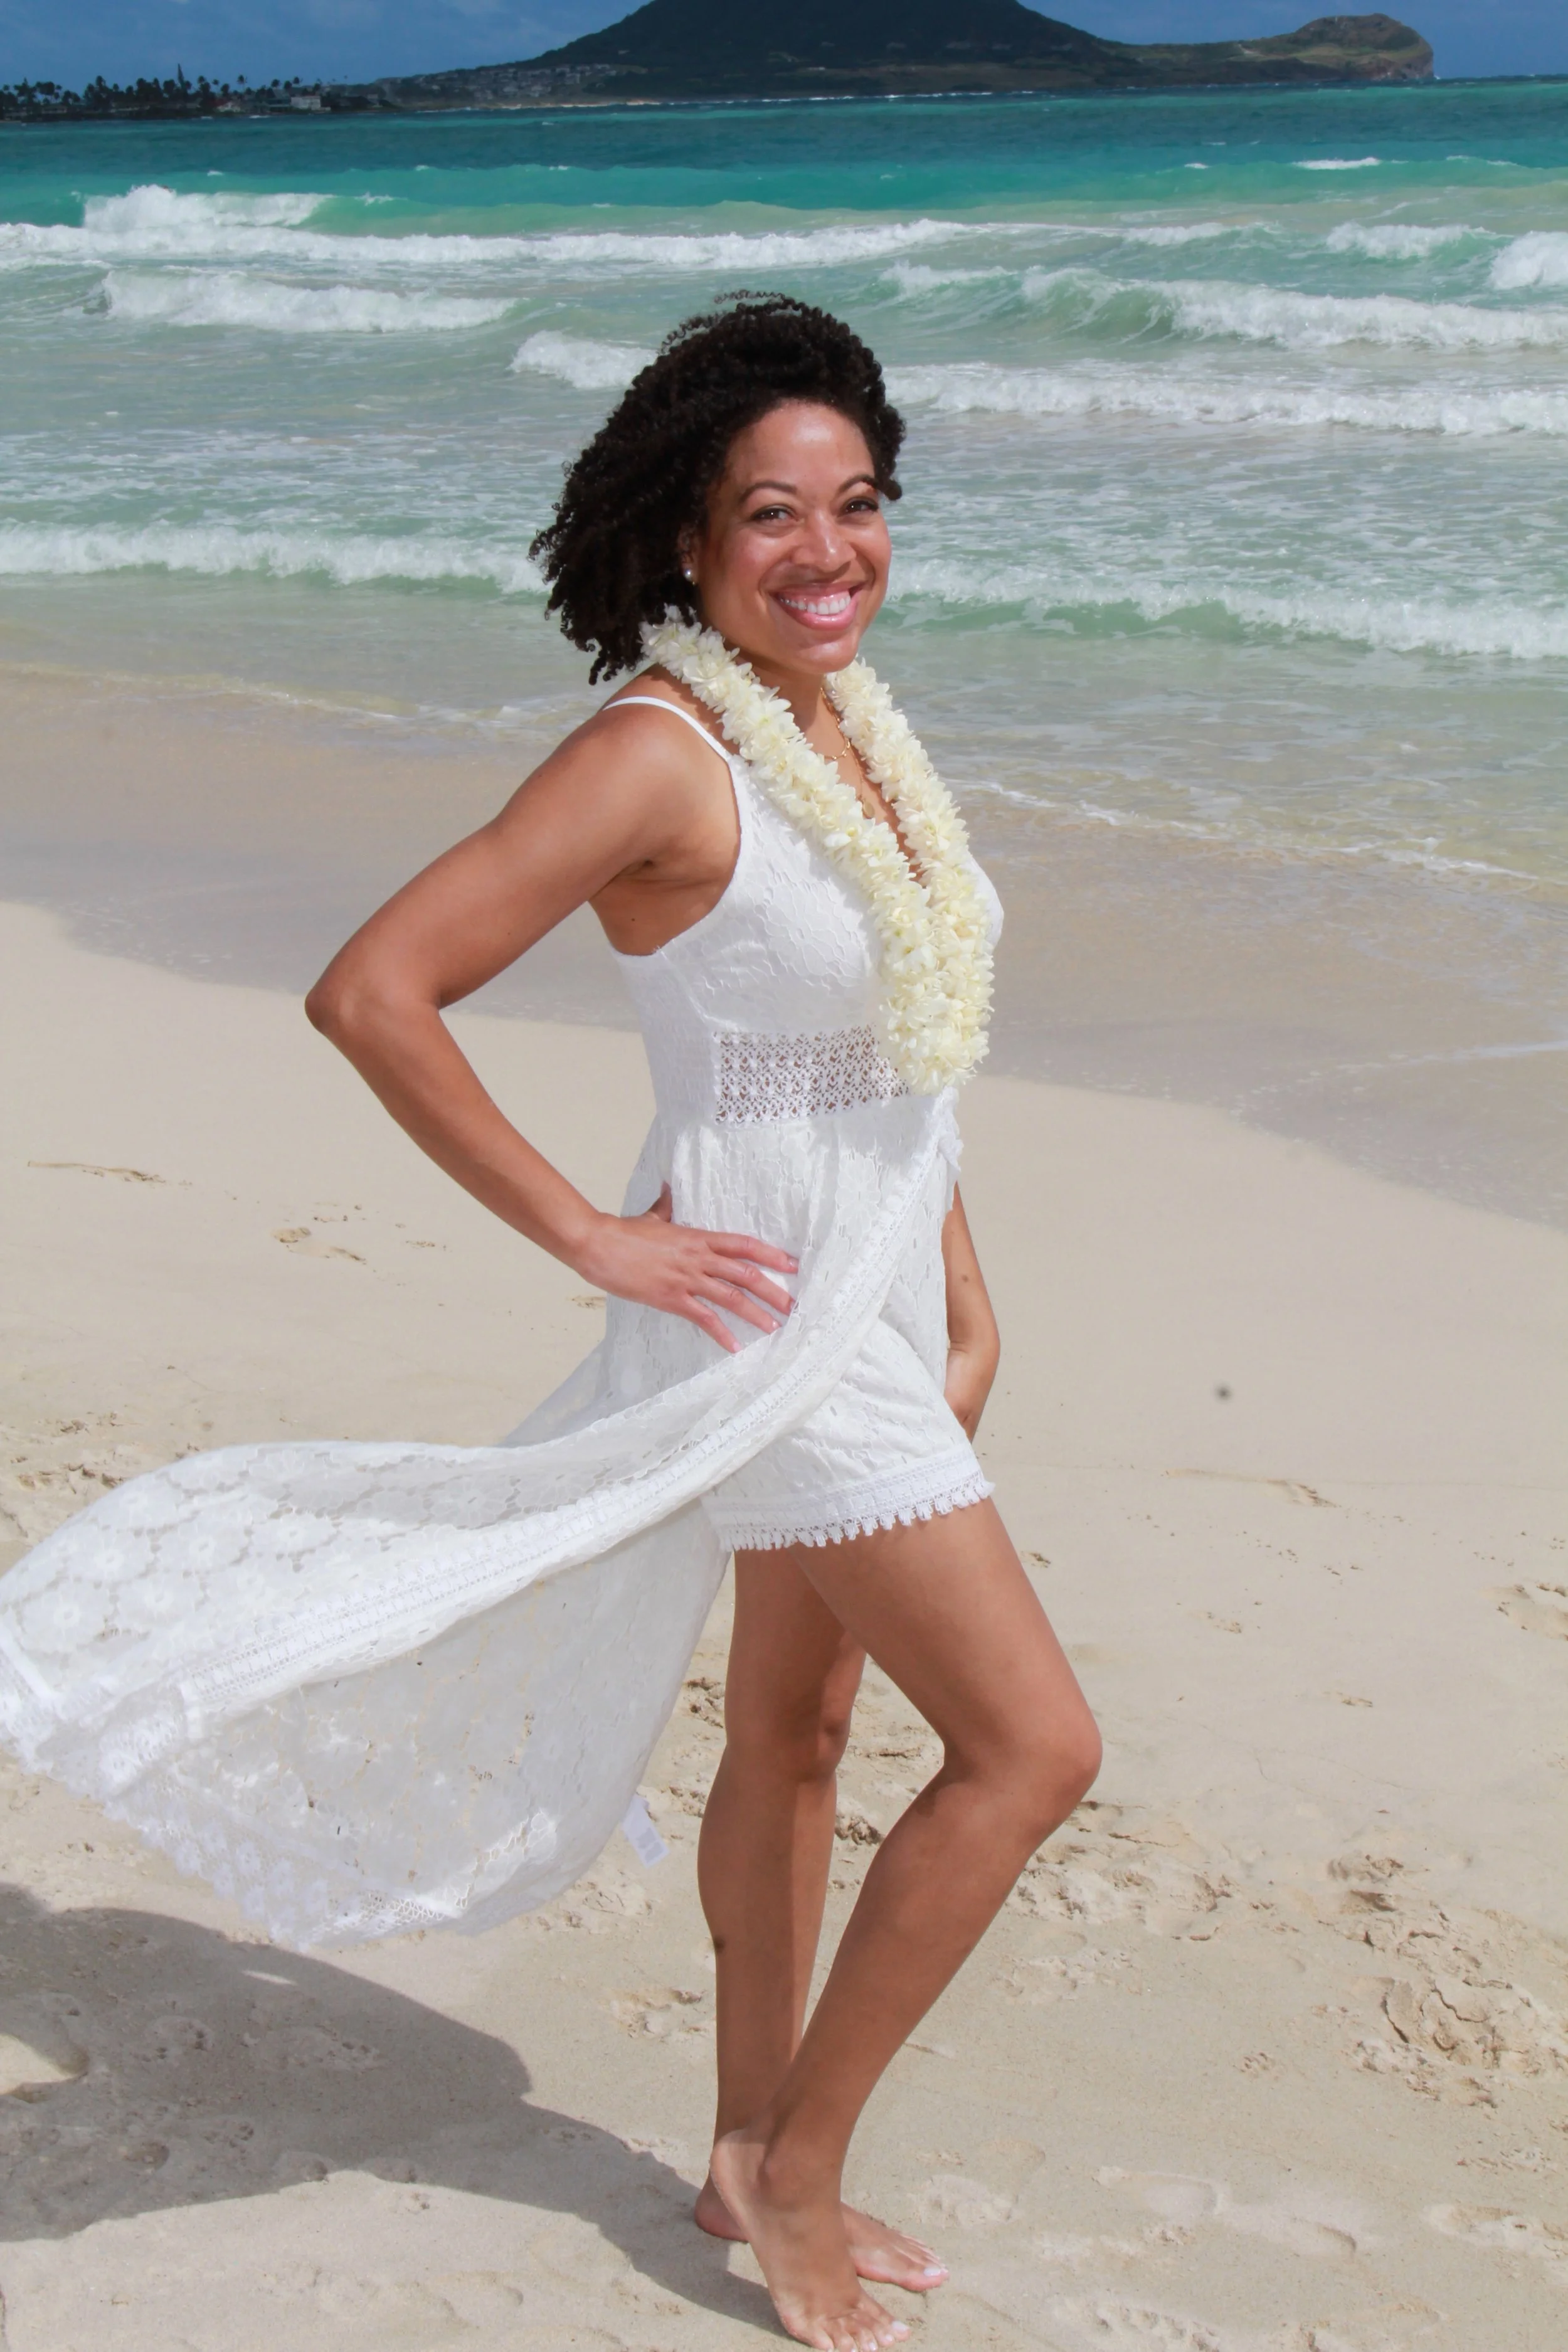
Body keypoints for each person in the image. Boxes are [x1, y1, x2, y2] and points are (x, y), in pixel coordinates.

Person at [0, 295, 1099, 2352]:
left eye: (857, 505)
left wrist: (955, 1280)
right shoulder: (653, 753)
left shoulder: (854, 725)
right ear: (686, 543)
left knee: (796, 1734)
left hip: (862, 1297)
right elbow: (374, 987)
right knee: (1034, 1745)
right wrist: (596, 1238)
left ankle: (733, 2139)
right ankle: (798, 2168)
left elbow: (891, 1059)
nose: (825, 551)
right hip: (755, 1325)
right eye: (769, 516)